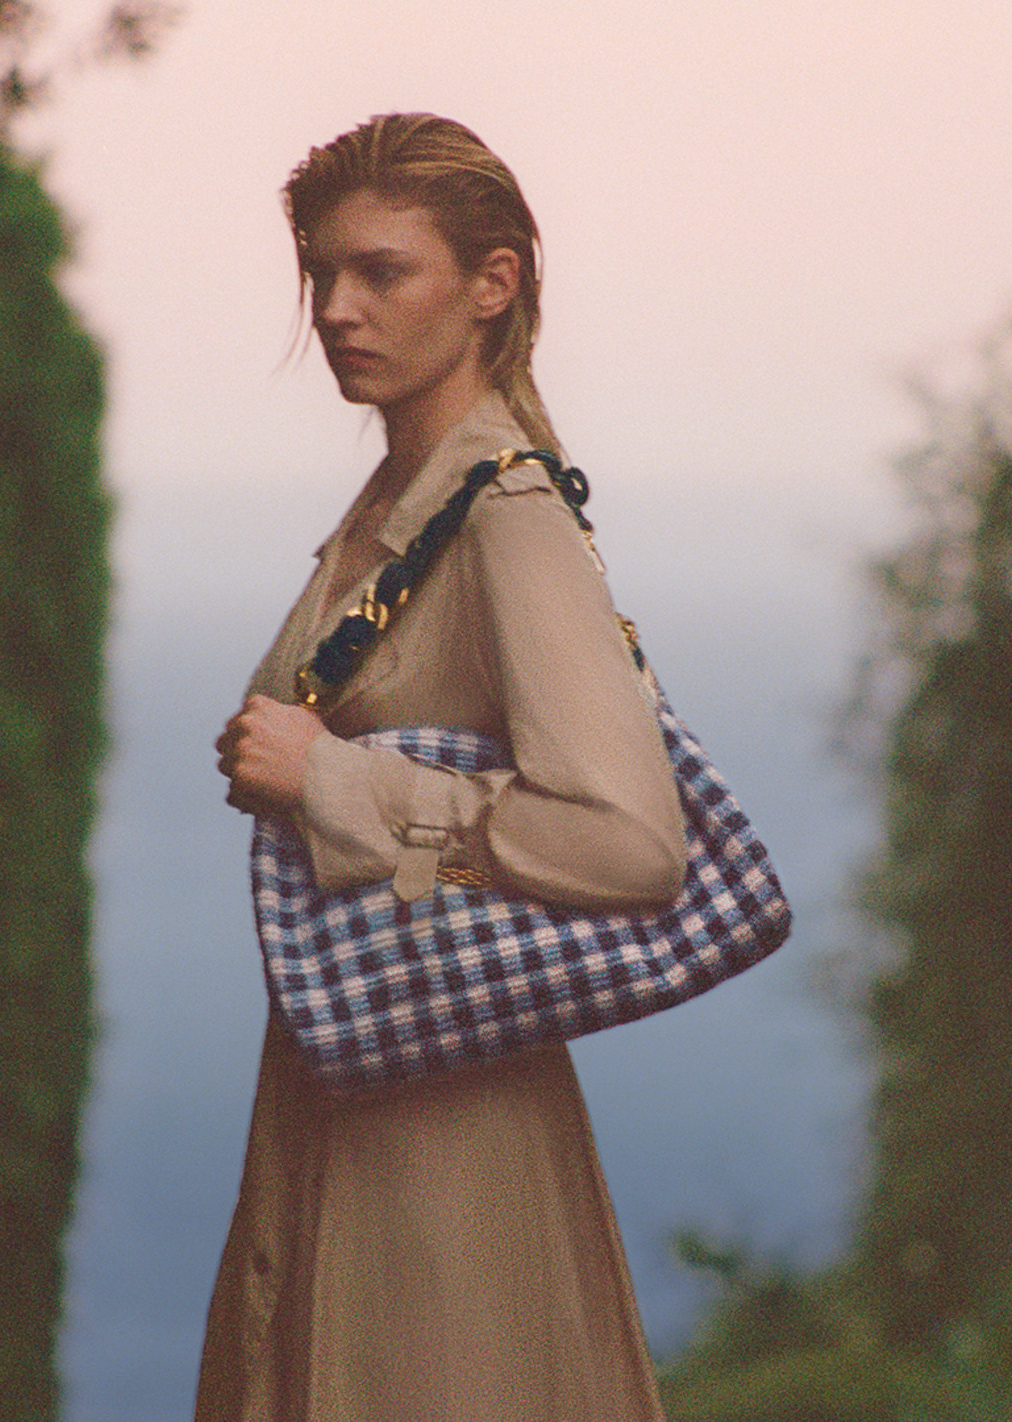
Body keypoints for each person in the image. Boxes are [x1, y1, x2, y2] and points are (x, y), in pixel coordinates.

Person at [199, 113, 682, 1421]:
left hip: (448, 1143)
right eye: (320, 273)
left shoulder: (508, 515)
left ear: (492, 283)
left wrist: (346, 790)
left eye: (380, 271)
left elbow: (633, 843)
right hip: (355, 1074)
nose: (337, 308)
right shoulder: (394, 510)